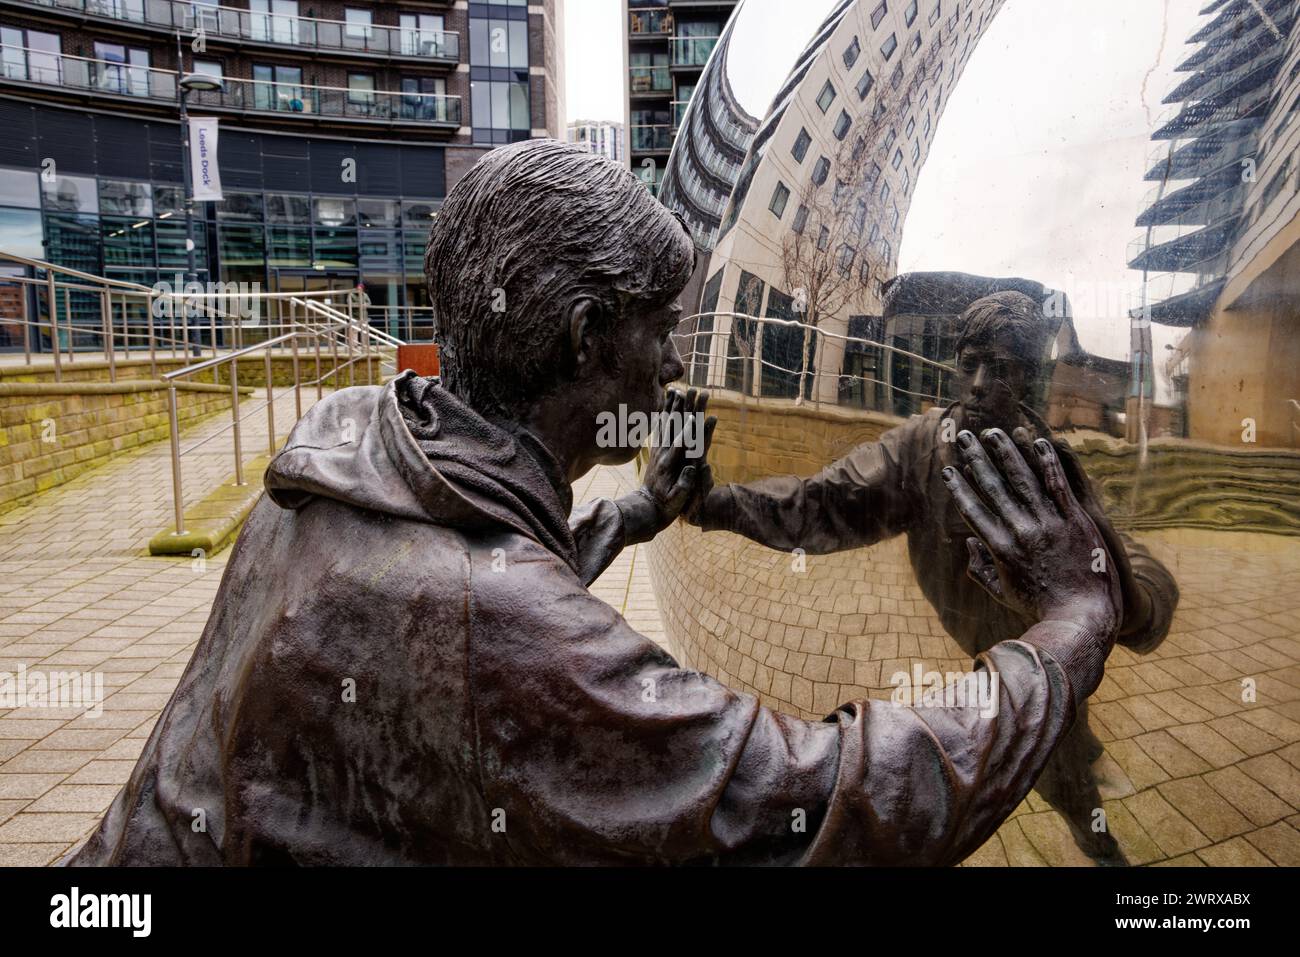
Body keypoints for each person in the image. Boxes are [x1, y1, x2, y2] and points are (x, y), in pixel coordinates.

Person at [69, 141, 1122, 866]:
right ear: (584, 338)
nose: (673, 362)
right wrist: (1073, 623)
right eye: (661, 327)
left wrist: (629, 515)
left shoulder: (348, 455)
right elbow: (822, 799)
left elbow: (457, 631)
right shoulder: (494, 620)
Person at [688, 290, 1180, 865]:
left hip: (1041, 655)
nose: (976, 384)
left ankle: (1098, 843)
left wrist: (1131, 606)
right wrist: (711, 505)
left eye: (1000, 368)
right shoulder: (921, 448)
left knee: (1057, 761)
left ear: (1028, 379)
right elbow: (821, 503)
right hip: (985, 652)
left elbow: (1130, 565)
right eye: (967, 362)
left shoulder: (1048, 461)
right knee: (1027, 750)